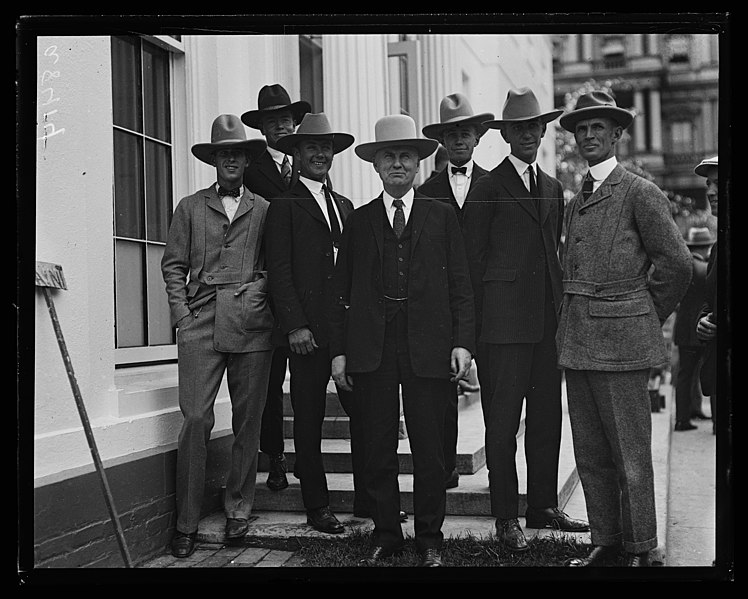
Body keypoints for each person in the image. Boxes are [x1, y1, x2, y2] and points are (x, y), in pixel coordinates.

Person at [328, 114, 475, 568]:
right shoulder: (360, 221)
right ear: (375, 165)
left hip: (429, 346)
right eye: (388, 156)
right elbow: (340, 293)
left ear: (417, 164)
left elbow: (462, 287)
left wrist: (462, 343)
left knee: (431, 449)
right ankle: (387, 533)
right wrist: (339, 353)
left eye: (405, 156)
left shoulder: (442, 215)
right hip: (373, 348)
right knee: (376, 447)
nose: (397, 164)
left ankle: (430, 538)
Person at [556, 91, 692, 567]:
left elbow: (676, 264)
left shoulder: (640, 192)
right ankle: (606, 541)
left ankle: (640, 548)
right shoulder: (576, 202)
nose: (589, 136)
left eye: (599, 128)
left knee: (631, 457)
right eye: (582, 129)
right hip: (578, 343)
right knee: (590, 454)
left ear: (617, 135)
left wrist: (642, 313)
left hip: (622, 345)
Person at [461, 87, 589, 553]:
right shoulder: (486, 187)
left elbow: (551, 256)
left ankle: (540, 505)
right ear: (507, 135)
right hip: (501, 328)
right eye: (519, 128)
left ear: (542, 130)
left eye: (534, 127)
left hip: (545, 327)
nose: (528, 135)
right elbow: (472, 266)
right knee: (501, 423)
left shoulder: (554, 188)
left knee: (546, 420)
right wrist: (469, 337)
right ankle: (504, 516)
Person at [161, 114, 274, 558]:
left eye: (238, 153)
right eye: (223, 153)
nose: (231, 159)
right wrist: (182, 316)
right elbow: (173, 265)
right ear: (214, 160)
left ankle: (238, 509)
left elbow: (272, 265)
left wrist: (257, 292)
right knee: (194, 420)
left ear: (246, 161)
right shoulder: (190, 207)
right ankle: (186, 522)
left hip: (250, 323)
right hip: (200, 322)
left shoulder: (263, 209)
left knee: (248, 420)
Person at [265, 112, 363, 534]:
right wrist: (295, 326)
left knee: (364, 414)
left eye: (326, 148)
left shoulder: (345, 206)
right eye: (311, 148)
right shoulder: (284, 206)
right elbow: (279, 272)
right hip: (306, 335)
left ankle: (372, 498)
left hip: (346, 332)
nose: (320, 154)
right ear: (298, 154)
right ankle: (317, 506)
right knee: (308, 419)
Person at [420, 92, 493, 490]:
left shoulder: (495, 184)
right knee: (444, 387)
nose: (459, 141)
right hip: (446, 306)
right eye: (452, 135)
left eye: (465, 133)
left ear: (477, 137)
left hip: (490, 303)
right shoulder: (427, 191)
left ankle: (498, 464)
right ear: (443, 142)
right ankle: (445, 465)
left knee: (496, 390)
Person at [240, 84, 311, 492]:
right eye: (272, 121)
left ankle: (305, 456)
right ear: (263, 128)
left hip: (306, 288)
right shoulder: (251, 169)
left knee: (304, 380)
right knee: (269, 381)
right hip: (266, 285)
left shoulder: (308, 163)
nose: (280, 126)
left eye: (286, 119)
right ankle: (276, 458)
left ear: (295, 123)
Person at [672, 226, 715, 431]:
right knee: (709, 371)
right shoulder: (705, 268)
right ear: (707, 247)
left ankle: (682, 418)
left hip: (683, 329)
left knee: (685, 374)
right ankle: (717, 422)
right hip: (702, 328)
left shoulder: (684, 266)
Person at [694, 156, 719, 435]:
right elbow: (709, 301)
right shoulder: (716, 249)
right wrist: (703, 321)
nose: (711, 191)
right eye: (708, 184)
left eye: (718, 182)